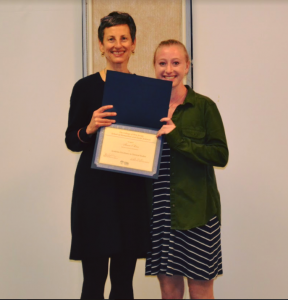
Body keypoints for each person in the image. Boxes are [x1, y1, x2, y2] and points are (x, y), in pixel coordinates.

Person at [65, 12, 151, 300]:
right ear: (101, 46)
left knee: (124, 285)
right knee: (93, 284)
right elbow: (71, 140)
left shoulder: (146, 90)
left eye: (123, 38)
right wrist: (89, 127)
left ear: (134, 43)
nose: (118, 45)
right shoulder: (85, 87)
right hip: (94, 195)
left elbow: (149, 142)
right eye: (110, 39)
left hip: (131, 193)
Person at [145, 40, 229, 299]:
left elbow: (220, 155)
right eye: (162, 63)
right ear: (154, 67)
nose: (168, 69)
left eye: (175, 63)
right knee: (169, 289)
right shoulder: (145, 107)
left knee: (200, 289)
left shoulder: (204, 107)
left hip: (197, 213)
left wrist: (177, 138)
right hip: (159, 212)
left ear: (187, 66)